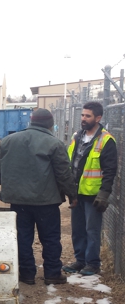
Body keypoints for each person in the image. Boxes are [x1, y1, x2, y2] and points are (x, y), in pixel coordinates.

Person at [0, 108, 77, 285]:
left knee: (23, 238)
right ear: (50, 123)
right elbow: (63, 173)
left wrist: (10, 187)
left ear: (31, 121)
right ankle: (52, 274)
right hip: (46, 202)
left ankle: (26, 274)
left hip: (18, 201)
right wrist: (72, 194)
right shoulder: (54, 143)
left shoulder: (8, 141)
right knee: (50, 239)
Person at [62, 101, 117, 276]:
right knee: (78, 229)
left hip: (94, 194)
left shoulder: (106, 140)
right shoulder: (77, 136)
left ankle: (92, 263)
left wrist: (104, 193)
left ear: (98, 118)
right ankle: (80, 261)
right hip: (77, 192)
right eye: (82, 115)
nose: (83, 119)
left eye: (88, 116)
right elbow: (71, 163)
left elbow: (110, 170)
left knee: (92, 230)